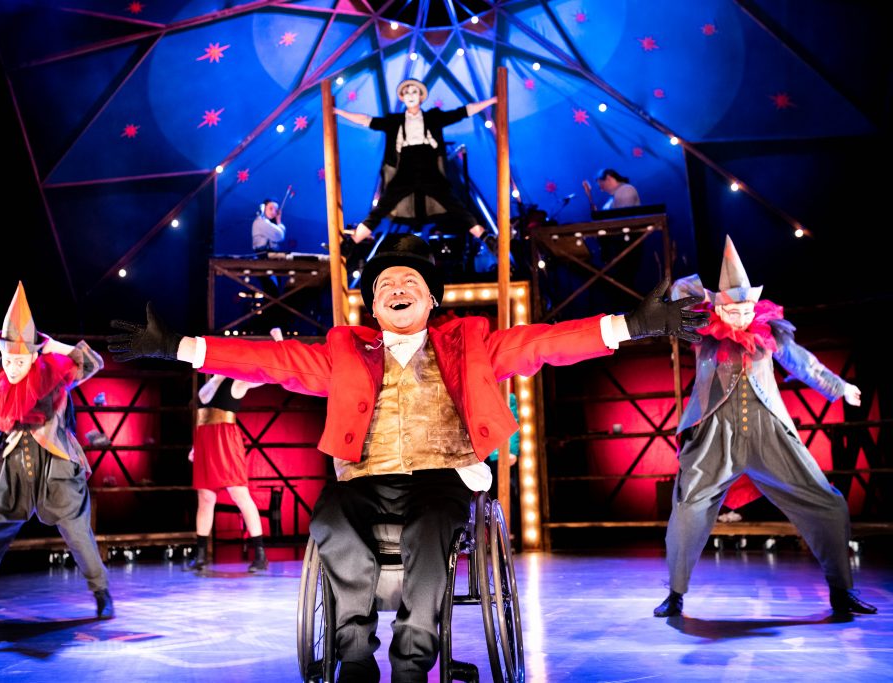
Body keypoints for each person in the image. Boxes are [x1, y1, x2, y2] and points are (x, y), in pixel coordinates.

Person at [109, 234, 706, 681]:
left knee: (431, 527)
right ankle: (354, 657)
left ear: (430, 300)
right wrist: (176, 347)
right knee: (332, 517)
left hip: (441, 475)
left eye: (409, 284)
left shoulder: (469, 341)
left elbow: (542, 344)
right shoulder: (346, 350)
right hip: (364, 478)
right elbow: (273, 364)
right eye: (386, 284)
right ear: (372, 304)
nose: (397, 289)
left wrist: (628, 325)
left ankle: (414, 660)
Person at [653, 236, 876, 618]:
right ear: (720, 308)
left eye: (745, 309)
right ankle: (675, 594)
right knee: (688, 509)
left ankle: (842, 590)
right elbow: (679, 291)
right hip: (714, 436)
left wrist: (839, 388)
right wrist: (708, 297)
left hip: (769, 433)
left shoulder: (769, 333)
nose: (739, 317)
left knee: (828, 502)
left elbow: (802, 362)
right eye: (732, 310)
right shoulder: (703, 334)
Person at [0, 282, 113, 622]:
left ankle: (101, 592)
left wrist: (52, 345)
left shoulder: (54, 372)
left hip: (56, 465)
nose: (12, 367)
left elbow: (93, 363)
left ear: (34, 355)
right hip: (13, 465)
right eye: (7, 359)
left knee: (77, 532)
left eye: (20, 360)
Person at [335, 79, 500, 254]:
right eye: (407, 93)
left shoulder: (433, 117)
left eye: (414, 92)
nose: (410, 96)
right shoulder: (395, 120)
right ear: (403, 98)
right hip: (406, 168)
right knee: (381, 207)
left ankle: (486, 238)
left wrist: (492, 101)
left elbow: (463, 112)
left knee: (455, 205)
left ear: (421, 97)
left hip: (429, 168)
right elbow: (366, 121)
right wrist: (338, 111)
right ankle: (350, 244)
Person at [185, 327, 284, 574]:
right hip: (206, 442)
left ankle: (260, 555)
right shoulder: (208, 384)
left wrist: (279, 343)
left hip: (225, 441)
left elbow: (269, 375)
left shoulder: (237, 380)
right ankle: (200, 556)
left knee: (240, 495)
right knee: (205, 498)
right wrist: (195, 447)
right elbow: (203, 418)